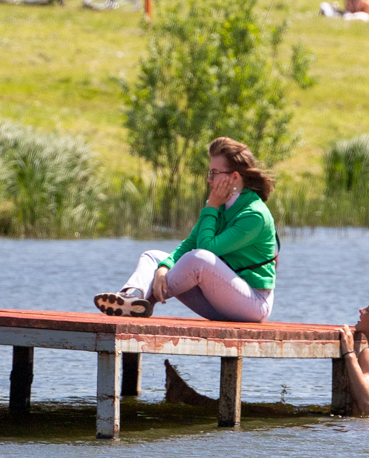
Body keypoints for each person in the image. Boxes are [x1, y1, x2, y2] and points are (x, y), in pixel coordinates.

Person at [93, 137, 277, 322]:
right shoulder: (220, 205)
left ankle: (145, 301)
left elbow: (206, 249)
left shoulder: (253, 215)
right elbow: (190, 244)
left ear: (234, 177)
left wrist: (211, 207)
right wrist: (163, 268)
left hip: (253, 305)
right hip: (217, 299)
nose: (209, 179)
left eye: (214, 173)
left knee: (198, 258)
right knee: (153, 257)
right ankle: (131, 297)